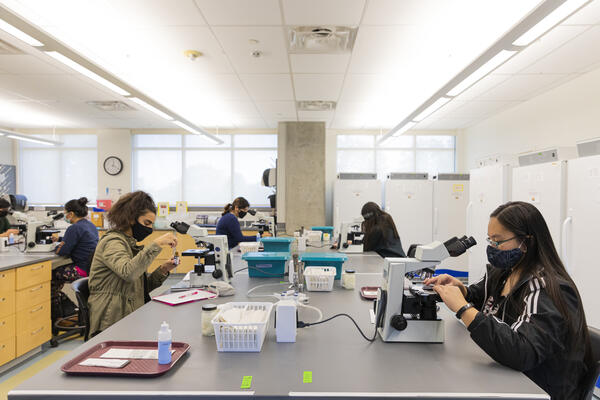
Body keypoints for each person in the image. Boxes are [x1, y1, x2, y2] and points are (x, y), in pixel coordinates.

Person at [425, 201, 592, 400]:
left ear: (526, 242)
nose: (493, 247)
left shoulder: (546, 287)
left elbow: (523, 352)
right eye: (490, 240)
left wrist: (463, 308)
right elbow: (484, 298)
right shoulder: (504, 272)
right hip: (507, 379)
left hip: (539, 390)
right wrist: (462, 291)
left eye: (498, 241)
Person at [88, 191, 178, 335]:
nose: (149, 229)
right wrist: (156, 244)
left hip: (129, 314)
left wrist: (162, 270)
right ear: (130, 218)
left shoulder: (129, 244)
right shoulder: (113, 242)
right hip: (111, 320)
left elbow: (140, 289)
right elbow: (128, 273)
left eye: (152, 224)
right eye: (146, 223)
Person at [51, 197, 99, 322]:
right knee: (57, 275)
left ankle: (56, 316)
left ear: (71, 214)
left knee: (51, 276)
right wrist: (61, 240)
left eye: (66, 213)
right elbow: (80, 240)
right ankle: (66, 311)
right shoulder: (90, 225)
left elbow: (62, 251)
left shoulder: (73, 228)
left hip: (82, 270)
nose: (66, 216)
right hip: (92, 269)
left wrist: (58, 246)